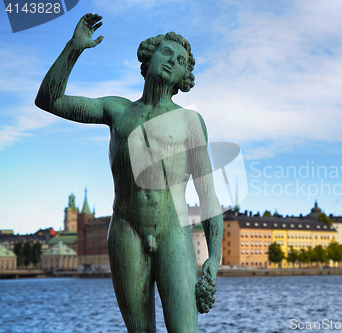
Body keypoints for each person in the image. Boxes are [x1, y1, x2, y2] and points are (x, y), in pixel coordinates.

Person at [35, 13, 223, 333]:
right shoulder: (117, 111)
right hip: (126, 232)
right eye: (165, 53)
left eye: (179, 60)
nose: (170, 61)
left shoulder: (191, 123)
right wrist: (74, 48)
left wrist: (214, 259)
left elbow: (208, 196)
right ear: (148, 57)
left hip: (173, 234)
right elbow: (49, 100)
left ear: (182, 77)